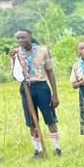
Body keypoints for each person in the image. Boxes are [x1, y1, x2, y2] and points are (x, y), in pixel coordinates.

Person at [11, 29, 62, 158]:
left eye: (23, 37)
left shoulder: (42, 51)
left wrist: (55, 94)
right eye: (18, 38)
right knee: (31, 121)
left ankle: (57, 148)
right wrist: (14, 61)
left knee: (50, 119)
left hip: (41, 87)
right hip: (26, 88)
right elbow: (15, 75)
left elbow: (50, 72)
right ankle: (38, 151)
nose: (20, 40)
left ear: (30, 37)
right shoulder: (16, 54)